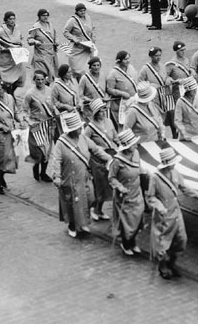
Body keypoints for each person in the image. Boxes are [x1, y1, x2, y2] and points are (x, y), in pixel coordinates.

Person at [49, 110, 112, 238]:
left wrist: (109, 158)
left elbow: (96, 150)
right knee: (73, 202)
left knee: (90, 198)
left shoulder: (83, 138)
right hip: (69, 177)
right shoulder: (61, 143)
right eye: (78, 128)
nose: (81, 129)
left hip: (84, 176)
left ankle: (83, 221)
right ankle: (72, 225)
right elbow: (56, 160)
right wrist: (57, 176)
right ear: (71, 130)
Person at [147, 147, 198, 279]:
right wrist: (160, 207)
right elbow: (150, 197)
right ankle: (162, 266)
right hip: (163, 216)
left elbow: (184, 188)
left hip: (176, 212)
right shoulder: (155, 178)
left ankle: (171, 262)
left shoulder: (175, 173)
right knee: (162, 243)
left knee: (181, 240)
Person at [108, 127, 146, 255]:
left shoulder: (136, 153)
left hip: (137, 194)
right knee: (127, 221)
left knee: (138, 218)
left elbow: (139, 169)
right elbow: (111, 178)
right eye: (132, 144)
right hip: (124, 196)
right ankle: (126, 243)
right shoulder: (117, 161)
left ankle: (133, 241)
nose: (135, 145)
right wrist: (119, 187)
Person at [84, 98, 118, 221]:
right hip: (98, 159)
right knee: (100, 186)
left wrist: (121, 145)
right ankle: (95, 209)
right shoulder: (90, 127)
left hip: (111, 155)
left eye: (104, 109)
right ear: (95, 113)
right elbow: (84, 142)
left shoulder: (109, 121)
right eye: (100, 111)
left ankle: (101, 209)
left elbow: (115, 137)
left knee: (110, 185)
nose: (103, 112)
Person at [23, 69, 58, 182]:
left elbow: (53, 105)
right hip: (36, 126)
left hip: (48, 125)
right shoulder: (30, 94)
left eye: (42, 79)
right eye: (37, 79)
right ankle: (36, 168)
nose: (40, 81)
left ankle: (43, 173)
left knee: (47, 150)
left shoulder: (49, 91)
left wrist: (56, 112)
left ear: (45, 80)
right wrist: (28, 121)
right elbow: (23, 110)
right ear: (34, 80)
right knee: (38, 152)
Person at [0, 11, 26, 96]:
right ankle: (8, 94)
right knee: (7, 80)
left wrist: (21, 43)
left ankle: (12, 92)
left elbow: (21, 38)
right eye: (10, 19)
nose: (12, 21)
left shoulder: (17, 28)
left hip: (17, 58)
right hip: (7, 58)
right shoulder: (1, 31)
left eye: (14, 19)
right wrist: (4, 49)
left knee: (19, 78)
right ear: (6, 20)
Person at [105, 50, 138, 129]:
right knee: (122, 125)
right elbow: (109, 89)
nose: (128, 61)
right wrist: (122, 93)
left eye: (128, 58)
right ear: (120, 61)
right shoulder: (113, 74)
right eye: (125, 59)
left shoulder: (131, 68)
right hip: (120, 105)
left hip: (132, 101)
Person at [63, 3, 97, 76]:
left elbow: (93, 28)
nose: (83, 12)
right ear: (77, 11)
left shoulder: (88, 17)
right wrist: (73, 38)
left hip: (88, 47)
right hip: (77, 48)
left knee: (87, 69)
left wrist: (93, 37)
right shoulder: (72, 20)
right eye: (81, 11)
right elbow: (65, 32)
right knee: (76, 70)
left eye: (84, 10)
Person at [27, 8, 59, 83]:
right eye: (43, 15)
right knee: (42, 75)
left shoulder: (50, 25)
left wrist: (56, 41)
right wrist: (35, 41)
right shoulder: (36, 27)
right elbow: (29, 40)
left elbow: (55, 36)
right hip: (41, 55)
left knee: (51, 75)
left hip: (51, 54)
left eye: (47, 15)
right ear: (39, 16)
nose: (46, 17)